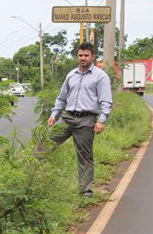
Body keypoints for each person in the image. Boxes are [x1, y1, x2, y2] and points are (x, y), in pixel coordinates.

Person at [46, 42, 113, 197]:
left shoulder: (100, 77)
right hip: (67, 117)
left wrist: (101, 120)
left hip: (86, 120)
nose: (83, 58)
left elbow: (106, 100)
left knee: (84, 156)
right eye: (80, 55)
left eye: (86, 55)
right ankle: (32, 182)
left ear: (93, 57)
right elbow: (62, 97)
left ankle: (85, 192)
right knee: (45, 145)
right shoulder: (71, 75)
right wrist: (54, 114)